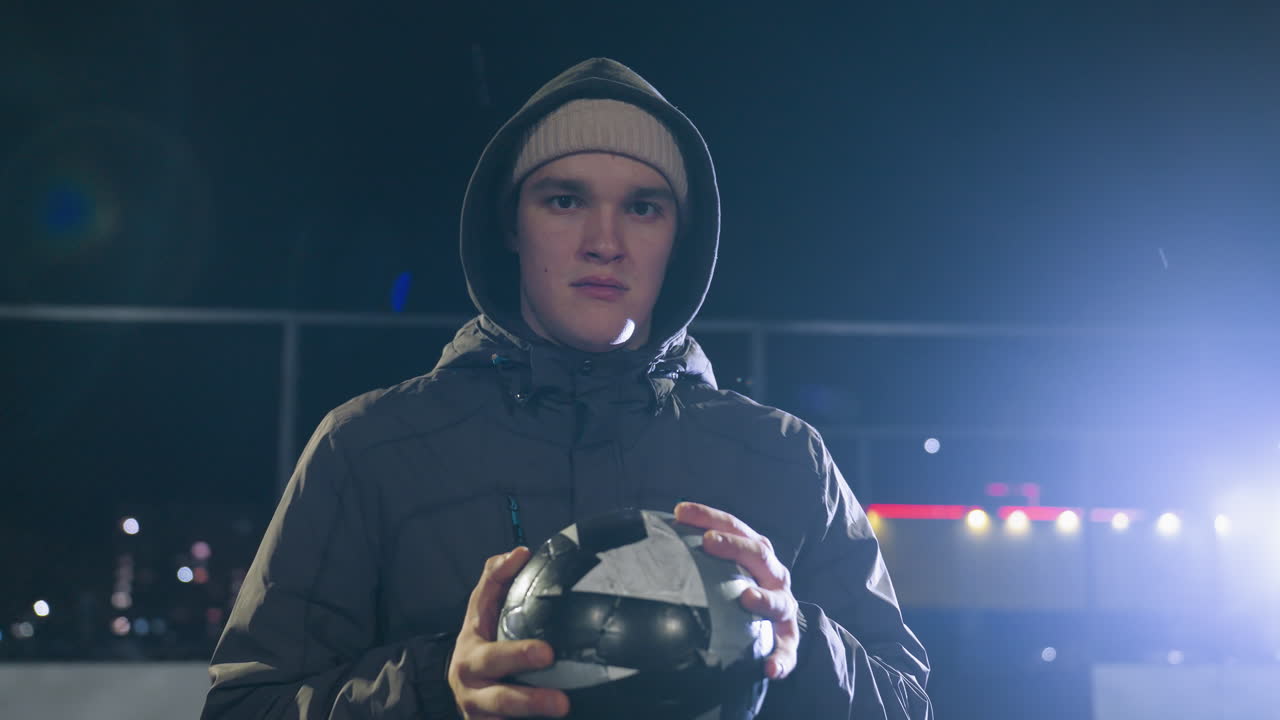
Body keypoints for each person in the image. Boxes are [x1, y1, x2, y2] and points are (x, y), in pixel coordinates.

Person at [201, 57, 931, 719]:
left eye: (644, 206)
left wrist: (797, 639)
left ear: (681, 238)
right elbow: (243, 708)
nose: (604, 241)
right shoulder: (372, 449)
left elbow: (907, 707)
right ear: (510, 225)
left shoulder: (785, 459)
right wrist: (432, 685)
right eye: (564, 200)